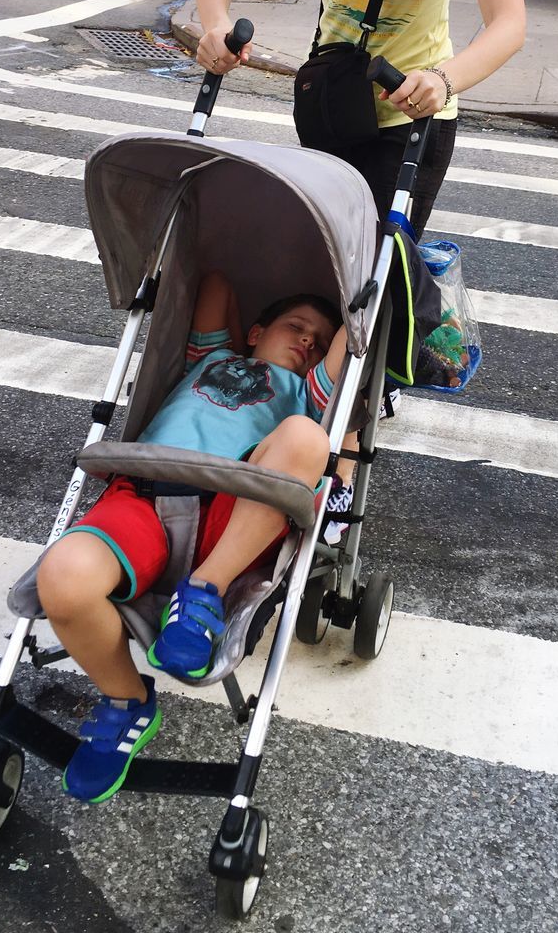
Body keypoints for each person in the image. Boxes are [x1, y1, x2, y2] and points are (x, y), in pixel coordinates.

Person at [191, 0, 524, 518]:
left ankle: (337, 455)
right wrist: (214, 23)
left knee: (370, 278)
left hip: (414, 115)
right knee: (331, 265)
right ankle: (327, 403)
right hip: (333, 103)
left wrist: (445, 77)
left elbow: (509, 21)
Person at [37, 271, 346, 803]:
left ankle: (204, 589)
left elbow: (345, 347)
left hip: (235, 513)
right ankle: (127, 699)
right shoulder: (209, 358)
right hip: (143, 495)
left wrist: (357, 300)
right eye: (295, 327)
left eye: (316, 341)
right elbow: (217, 282)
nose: (306, 341)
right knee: (63, 578)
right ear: (254, 332)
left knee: (306, 438)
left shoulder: (307, 391)